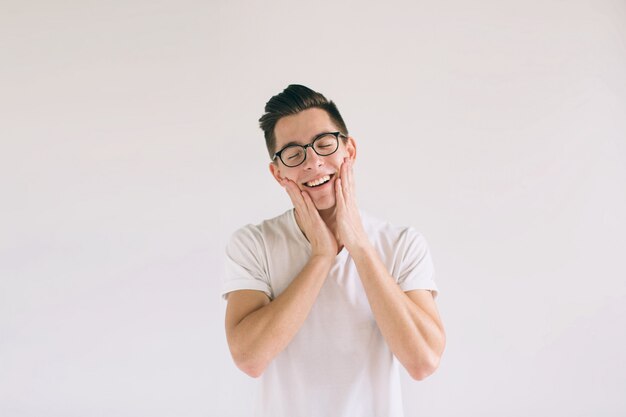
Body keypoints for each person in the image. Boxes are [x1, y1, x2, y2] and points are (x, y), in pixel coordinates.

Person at [222, 84, 446, 417]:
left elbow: (423, 361)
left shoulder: (402, 243)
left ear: (349, 150)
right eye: (294, 153)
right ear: (277, 172)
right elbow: (250, 359)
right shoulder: (254, 243)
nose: (313, 161)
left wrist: (358, 244)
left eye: (324, 144)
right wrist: (321, 257)